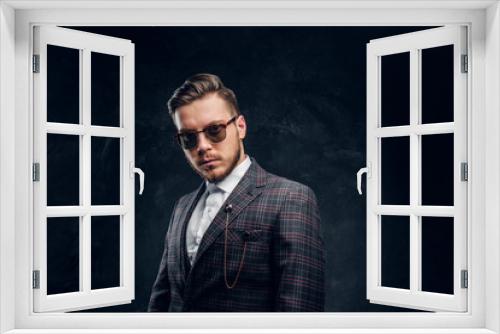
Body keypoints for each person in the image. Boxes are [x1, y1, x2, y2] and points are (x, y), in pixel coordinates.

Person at [148, 73, 325, 312]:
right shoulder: (182, 206)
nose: (202, 146)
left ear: (240, 127)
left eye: (215, 130)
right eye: (188, 138)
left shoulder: (291, 198)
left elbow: (299, 313)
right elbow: (161, 301)